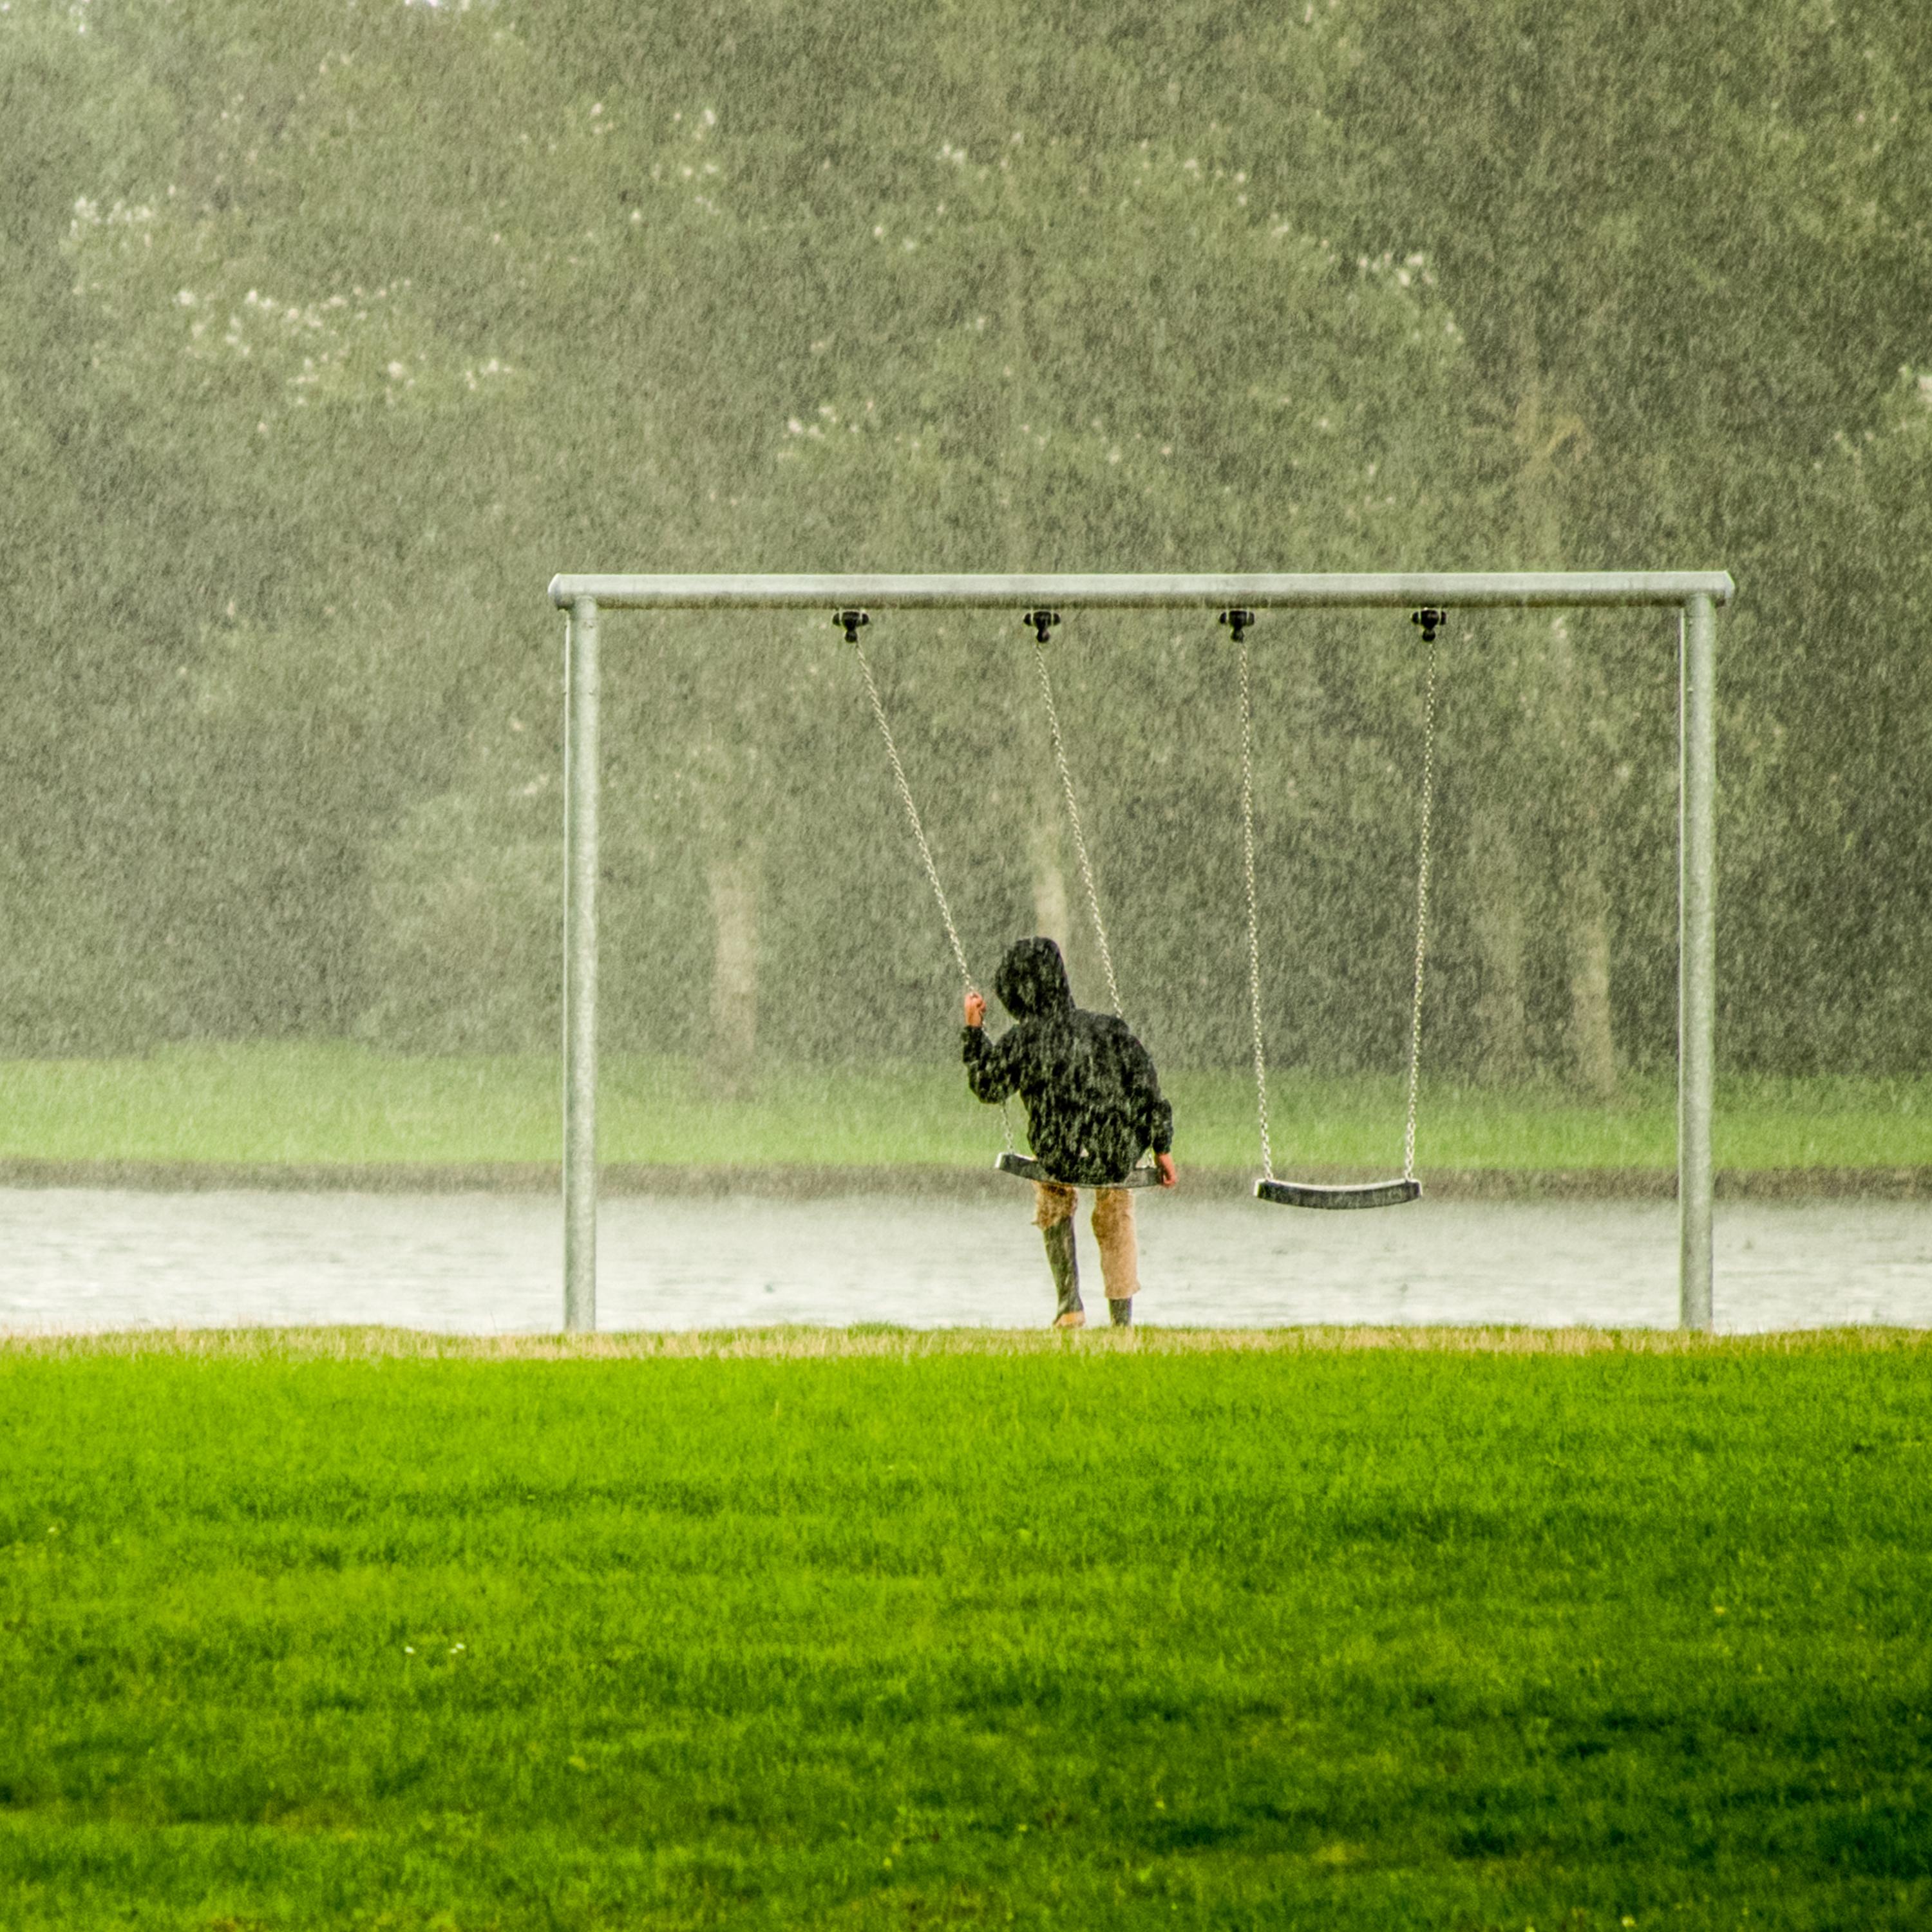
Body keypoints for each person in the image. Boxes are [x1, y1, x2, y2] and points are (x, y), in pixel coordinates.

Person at [962, 935, 1177, 1329]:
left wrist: (975, 1032)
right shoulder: (1109, 1030)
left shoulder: (1024, 1041)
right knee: (1116, 1208)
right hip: (1115, 1153)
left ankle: (1069, 1303)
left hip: (1059, 1153)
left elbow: (987, 1087)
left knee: (1053, 1194)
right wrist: (1162, 1148)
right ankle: (1121, 1319)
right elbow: (1146, 1086)